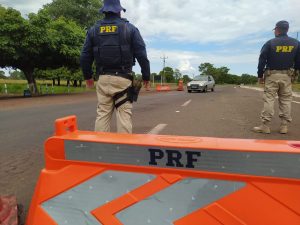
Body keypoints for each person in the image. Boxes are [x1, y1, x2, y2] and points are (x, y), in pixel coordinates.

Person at [80, 0, 150, 133]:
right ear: (119, 11)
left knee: (103, 114)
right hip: (123, 80)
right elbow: (142, 54)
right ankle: (123, 150)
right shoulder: (130, 29)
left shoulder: (93, 30)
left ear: (104, 10)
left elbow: (85, 56)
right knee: (124, 116)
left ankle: (100, 149)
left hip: (103, 79)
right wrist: (146, 76)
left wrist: (87, 76)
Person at [253, 20, 300, 134]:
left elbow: (262, 60)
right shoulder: (296, 43)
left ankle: (265, 126)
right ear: (287, 30)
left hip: (272, 75)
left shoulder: (270, 43)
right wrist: (296, 74)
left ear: (277, 30)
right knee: (285, 100)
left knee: (269, 99)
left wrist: (260, 75)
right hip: (287, 76)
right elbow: (298, 61)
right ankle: (284, 126)